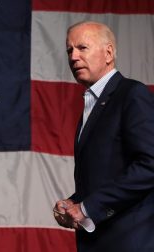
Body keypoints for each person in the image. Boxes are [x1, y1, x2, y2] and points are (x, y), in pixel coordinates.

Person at [53, 21, 154, 252]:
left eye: (82, 48)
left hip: (130, 241)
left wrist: (87, 209)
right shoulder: (93, 103)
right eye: (70, 50)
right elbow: (106, 176)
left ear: (108, 53)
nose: (73, 57)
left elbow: (150, 165)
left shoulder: (131, 94)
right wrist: (73, 203)